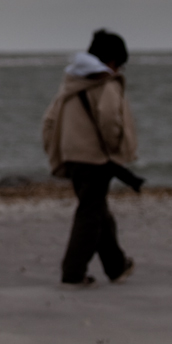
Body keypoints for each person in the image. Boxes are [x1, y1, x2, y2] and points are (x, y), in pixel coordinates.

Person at [41, 29, 140, 286]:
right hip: (96, 158)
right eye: (120, 65)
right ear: (112, 61)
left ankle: (116, 266)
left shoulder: (70, 83)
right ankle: (72, 273)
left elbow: (49, 122)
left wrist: (56, 151)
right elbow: (109, 118)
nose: (119, 70)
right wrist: (114, 146)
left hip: (72, 155)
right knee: (90, 214)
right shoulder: (106, 84)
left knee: (97, 211)